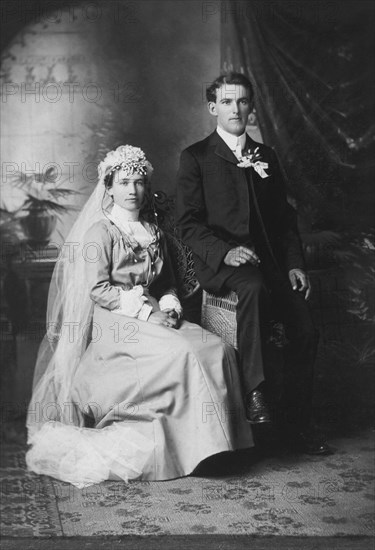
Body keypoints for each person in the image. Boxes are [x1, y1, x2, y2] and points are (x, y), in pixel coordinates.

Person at [25, 145, 253, 487]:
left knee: (215, 348)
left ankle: (218, 446)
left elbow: (167, 284)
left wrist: (169, 304)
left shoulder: (154, 231)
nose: (133, 190)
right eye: (124, 182)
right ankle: (199, 450)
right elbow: (98, 289)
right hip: (115, 320)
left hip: (154, 313)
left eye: (140, 182)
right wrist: (146, 312)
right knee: (183, 353)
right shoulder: (100, 233)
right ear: (110, 186)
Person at [175, 73, 331, 455]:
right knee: (253, 288)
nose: (236, 109)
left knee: (306, 329)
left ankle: (297, 426)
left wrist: (295, 264)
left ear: (252, 107)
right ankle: (256, 391)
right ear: (213, 108)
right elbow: (186, 223)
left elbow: (284, 221)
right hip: (224, 264)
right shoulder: (196, 156)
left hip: (271, 264)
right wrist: (224, 251)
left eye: (243, 101)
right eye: (227, 102)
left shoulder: (266, 156)